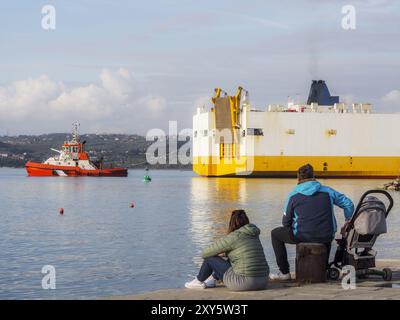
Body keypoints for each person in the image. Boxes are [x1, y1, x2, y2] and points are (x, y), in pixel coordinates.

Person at [269, 164, 354, 281]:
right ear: (314, 177)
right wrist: (347, 220)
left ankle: (284, 272)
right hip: (326, 236)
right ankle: (323, 269)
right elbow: (348, 204)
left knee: (275, 234)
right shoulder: (328, 191)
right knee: (326, 233)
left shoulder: (293, 195)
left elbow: (286, 222)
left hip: (301, 236)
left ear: (298, 179)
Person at [185, 210, 269, 291]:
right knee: (232, 258)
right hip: (263, 281)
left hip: (244, 284)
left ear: (232, 223)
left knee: (210, 258)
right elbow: (242, 253)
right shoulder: (254, 235)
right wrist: (226, 253)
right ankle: (212, 280)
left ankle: (198, 281)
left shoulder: (234, 236)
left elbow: (205, 253)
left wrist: (218, 254)